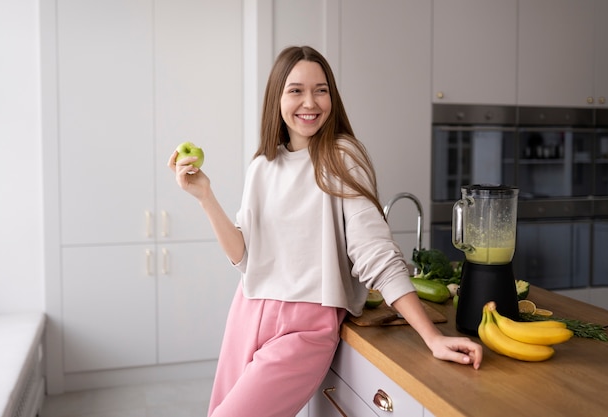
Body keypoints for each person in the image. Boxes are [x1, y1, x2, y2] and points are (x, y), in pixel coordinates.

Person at [169, 45, 482, 417]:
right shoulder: (263, 166)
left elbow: (375, 252)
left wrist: (432, 337)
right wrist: (205, 196)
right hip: (247, 312)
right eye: (296, 90)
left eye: (321, 90)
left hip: (307, 325)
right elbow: (245, 258)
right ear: (278, 98)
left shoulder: (342, 156)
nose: (310, 102)